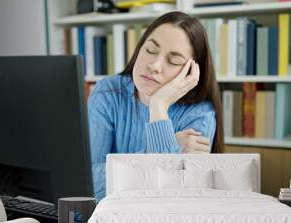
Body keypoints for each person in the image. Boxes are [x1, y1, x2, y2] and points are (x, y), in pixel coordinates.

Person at [88, 11, 224, 201]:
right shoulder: (108, 92)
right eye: (150, 50)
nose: (155, 65)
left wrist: (158, 108)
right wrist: (158, 152)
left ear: (191, 72)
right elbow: (87, 186)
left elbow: (172, 199)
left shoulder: (200, 115)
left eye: (174, 60)